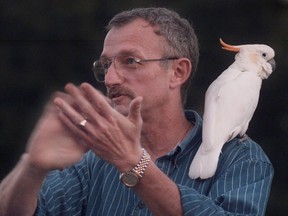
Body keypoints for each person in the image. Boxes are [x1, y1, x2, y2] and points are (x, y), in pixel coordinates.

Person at [0, 7, 273, 216]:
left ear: (178, 72)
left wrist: (133, 164)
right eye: (106, 65)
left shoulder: (242, 159)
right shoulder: (94, 160)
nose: (110, 79)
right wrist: (32, 167)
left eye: (130, 61)